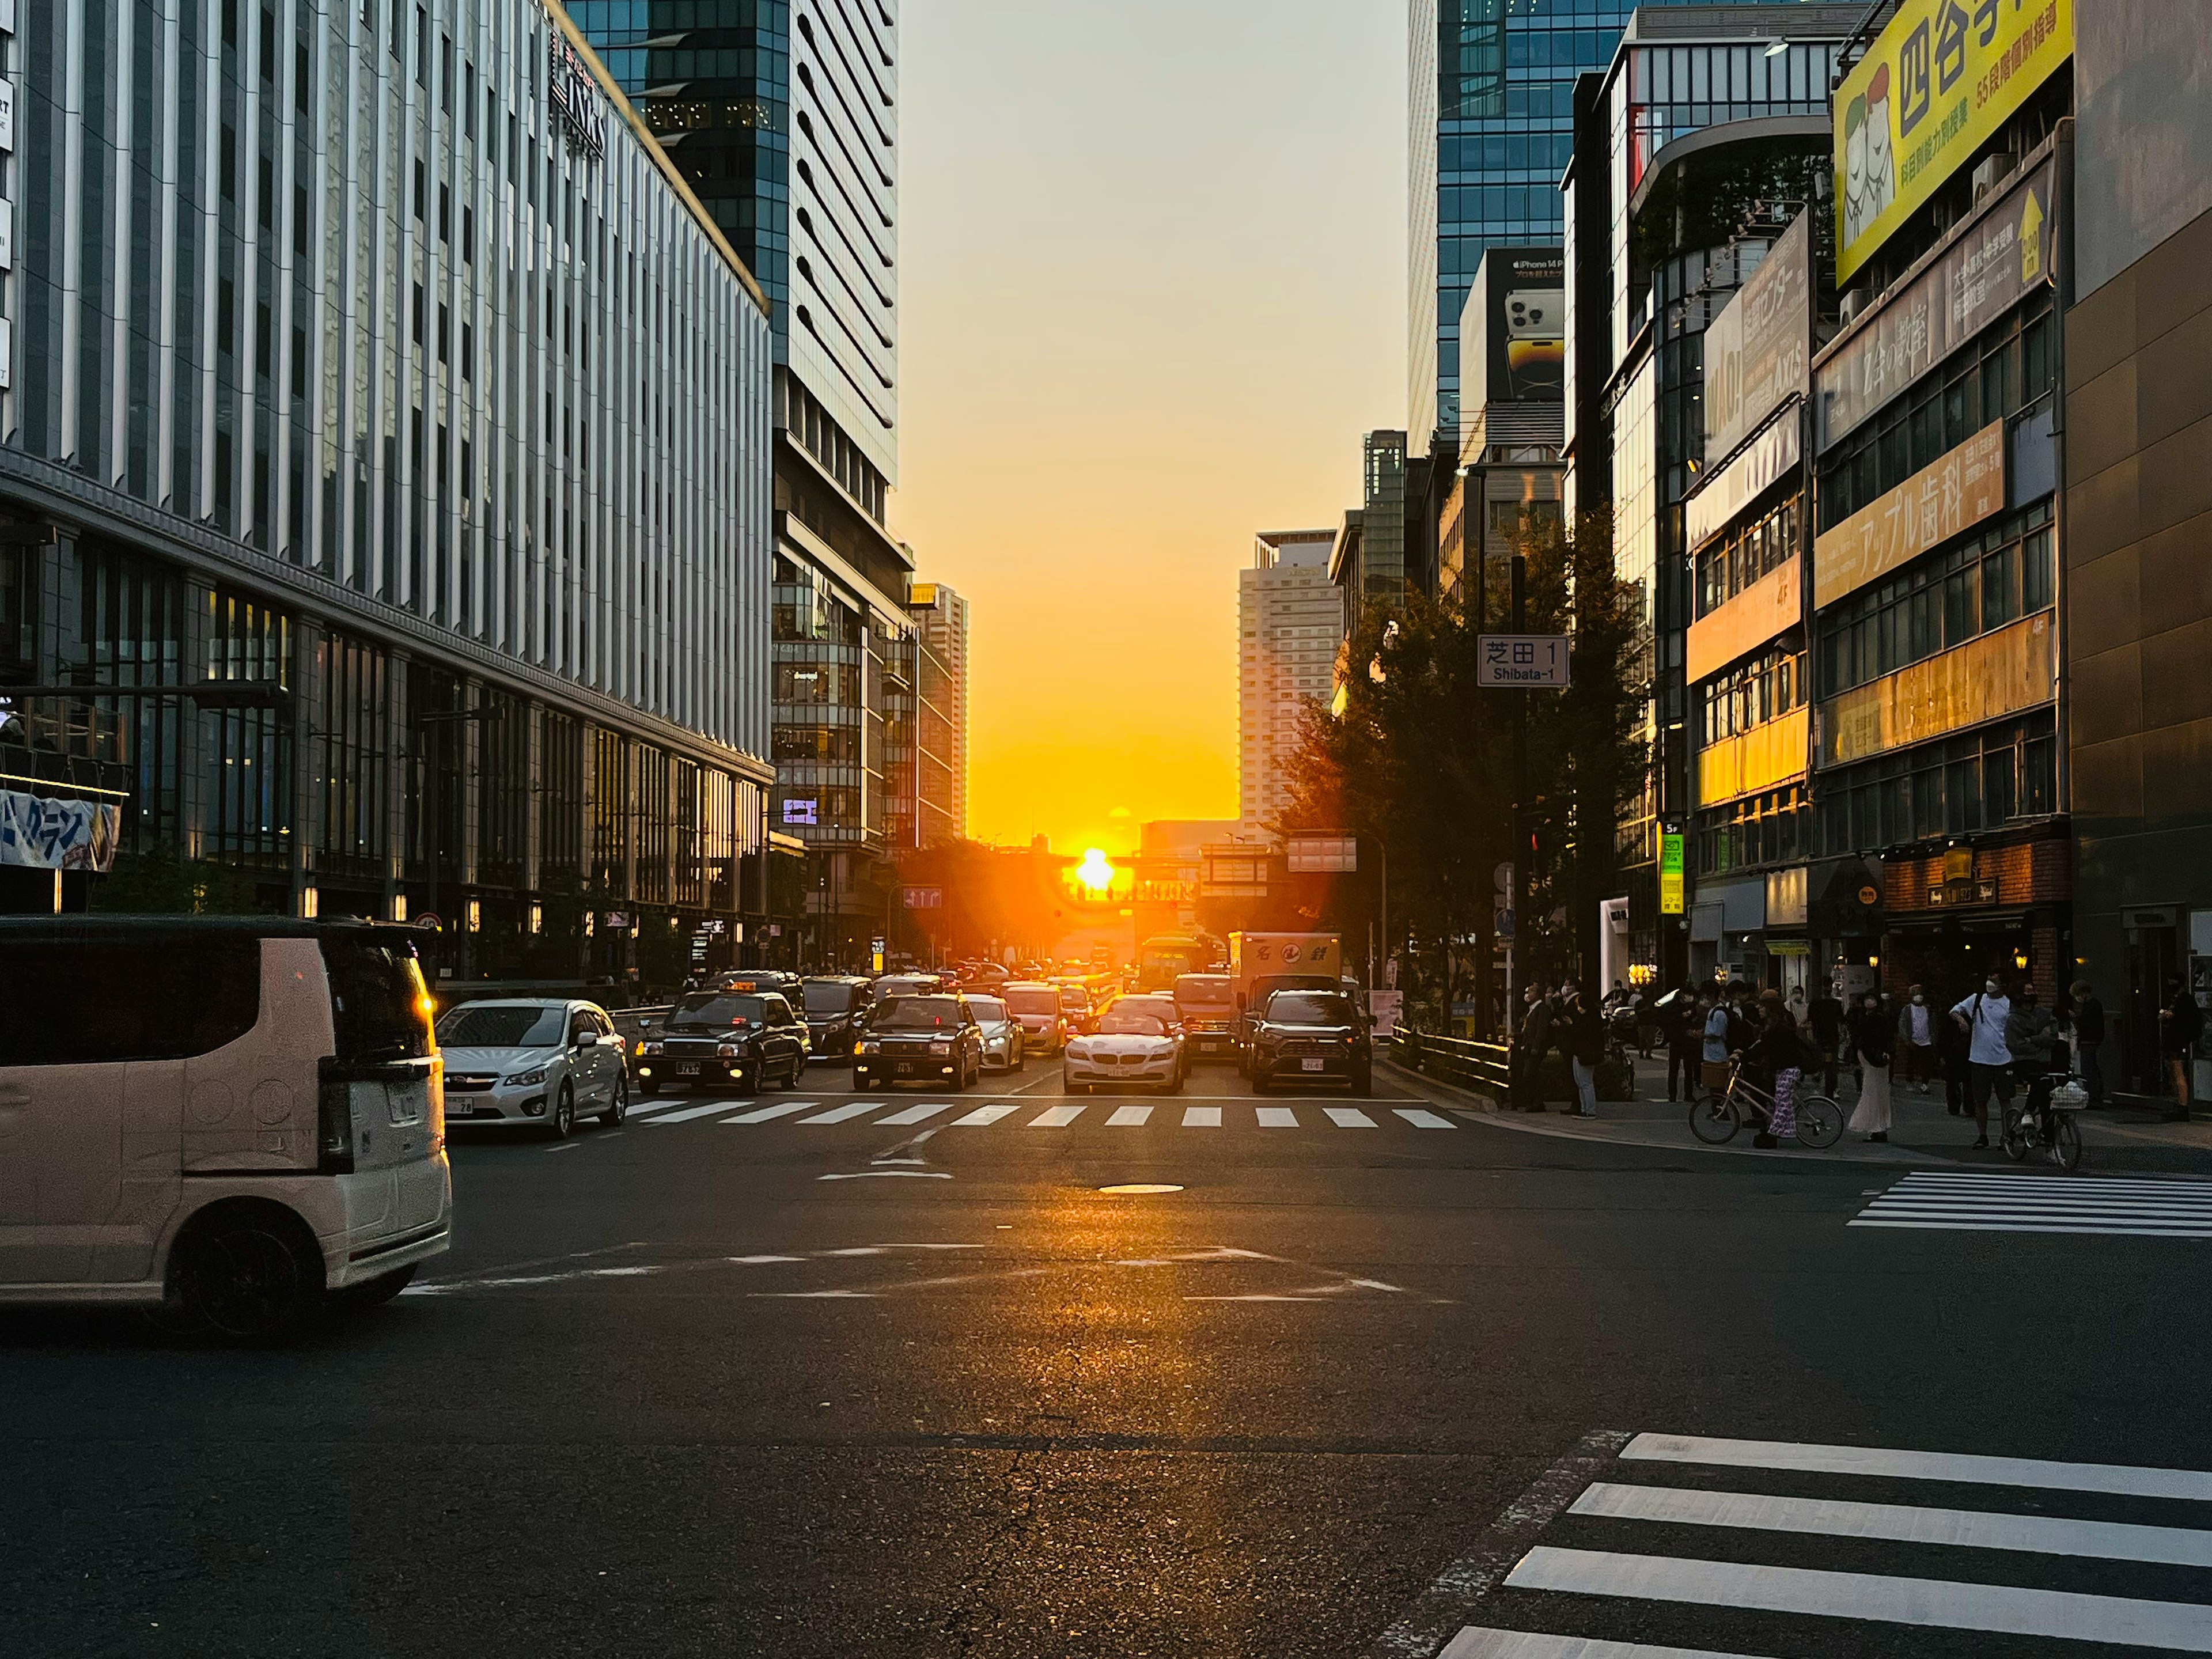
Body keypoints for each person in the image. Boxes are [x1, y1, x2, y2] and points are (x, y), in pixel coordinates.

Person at [1952, 976, 2015, 1150]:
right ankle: (1982, 1135)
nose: (1990, 983)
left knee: (2005, 1099)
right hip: (1980, 1058)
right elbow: (1954, 1010)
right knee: (1981, 1100)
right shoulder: (1977, 999)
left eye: (1995, 980)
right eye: (1989, 979)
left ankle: (2006, 1135)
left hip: (2003, 1057)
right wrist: (1961, 1020)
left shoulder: (2009, 1004)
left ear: (2003, 985)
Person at [1748, 994, 1810, 1147]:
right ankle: (1784, 1131)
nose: (1759, 1009)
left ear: (1770, 1009)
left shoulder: (1778, 1029)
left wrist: (1744, 1056)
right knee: (1781, 1102)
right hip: (1784, 1069)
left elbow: (1764, 1047)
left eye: (1762, 1007)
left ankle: (1773, 1135)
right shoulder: (1775, 1026)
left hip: (1788, 1069)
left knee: (1783, 1103)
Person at [2005, 984, 2060, 1135]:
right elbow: (2016, 1044)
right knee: (2040, 1082)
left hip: (2044, 1061)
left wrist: (2032, 1040)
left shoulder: (2043, 1014)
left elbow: (2051, 1036)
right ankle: (2028, 1112)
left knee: (2047, 1099)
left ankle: (2046, 1136)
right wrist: (2040, 1044)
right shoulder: (2013, 1019)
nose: (2028, 1001)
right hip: (2022, 1062)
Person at [1846, 990, 1895, 1142]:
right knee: (1878, 1092)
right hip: (1874, 1058)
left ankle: (1876, 1127)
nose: (1869, 1002)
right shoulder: (1867, 1017)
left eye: (1872, 999)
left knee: (1872, 1091)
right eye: (1867, 999)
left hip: (1873, 1058)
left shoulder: (1877, 1019)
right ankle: (1879, 1127)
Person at [2161, 978, 2205, 1118]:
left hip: (2178, 1042)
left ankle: (2182, 1105)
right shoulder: (2182, 1000)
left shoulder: (2183, 1000)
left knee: (2178, 1072)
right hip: (2177, 1041)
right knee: (2176, 1072)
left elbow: (2175, 1016)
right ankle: (2180, 1103)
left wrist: (2166, 1016)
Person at [1509, 982, 1552, 1113]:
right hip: (1527, 1047)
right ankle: (1535, 1101)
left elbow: (1541, 1030)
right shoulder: (1530, 1011)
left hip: (1535, 1048)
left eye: (1531, 991)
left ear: (1538, 994)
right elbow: (1527, 1031)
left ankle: (1536, 1102)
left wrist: (1537, 1046)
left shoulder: (1542, 1009)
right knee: (1533, 1074)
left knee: (1529, 1074)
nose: (1528, 994)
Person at [1562, 985, 1604, 1118]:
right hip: (1580, 1053)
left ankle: (1590, 1110)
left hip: (1585, 1054)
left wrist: (1571, 1025)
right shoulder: (1589, 1018)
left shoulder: (1589, 1020)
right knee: (1582, 1083)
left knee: (1586, 1083)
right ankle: (1585, 1109)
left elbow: (1581, 1034)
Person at [2071, 979, 2107, 1108]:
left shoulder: (2092, 1005)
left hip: (2089, 1040)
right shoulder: (2093, 1004)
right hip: (2092, 1040)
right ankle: (2095, 1096)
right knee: (2091, 1068)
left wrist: (2076, 1019)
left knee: (2088, 1069)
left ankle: (2094, 1097)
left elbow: (2087, 1022)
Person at [1667, 986, 1705, 1104]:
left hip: (1689, 1041)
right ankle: (1673, 1094)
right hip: (1677, 1040)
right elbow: (1669, 1021)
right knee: (1675, 1068)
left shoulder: (1693, 1007)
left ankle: (1688, 1094)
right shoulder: (1673, 1007)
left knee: (1689, 1069)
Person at [1897, 984, 1937, 1092]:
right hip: (1913, 1040)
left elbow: (1933, 1024)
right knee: (1911, 1063)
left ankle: (1924, 1084)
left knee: (1927, 1063)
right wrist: (1907, 1040)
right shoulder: (1907, 1009)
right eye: (1916, 994)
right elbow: (1903, 1025)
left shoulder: (1928, 1009)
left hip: (1926, 1040)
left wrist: (1933, 1038)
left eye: (1920, 994)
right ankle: (1909, 1081)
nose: (1919, 997)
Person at [1808, 983, 1844, 1096]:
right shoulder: (1836, 1004)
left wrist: (1811, 1036)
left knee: (1820, 1061)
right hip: (1832, 1037)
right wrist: (1842, 1035)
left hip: (1819, 1036)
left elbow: (1810, 1021)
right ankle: (1833, 1088)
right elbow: (1841, 1021)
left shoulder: (1814, 1004)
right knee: (1832, 1065)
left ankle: (1819, 1082)